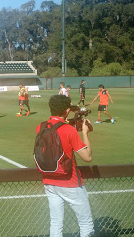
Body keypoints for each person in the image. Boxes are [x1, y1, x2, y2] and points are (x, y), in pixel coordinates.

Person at [37, 94, 94, 237]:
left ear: (50, 108)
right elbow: (87, 157)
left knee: (56, 223)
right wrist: (85, 133)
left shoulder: (41, 127)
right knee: (85, 222)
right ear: (67, 111)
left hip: (49, 181)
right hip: (71, 182)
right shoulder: (69, 130)